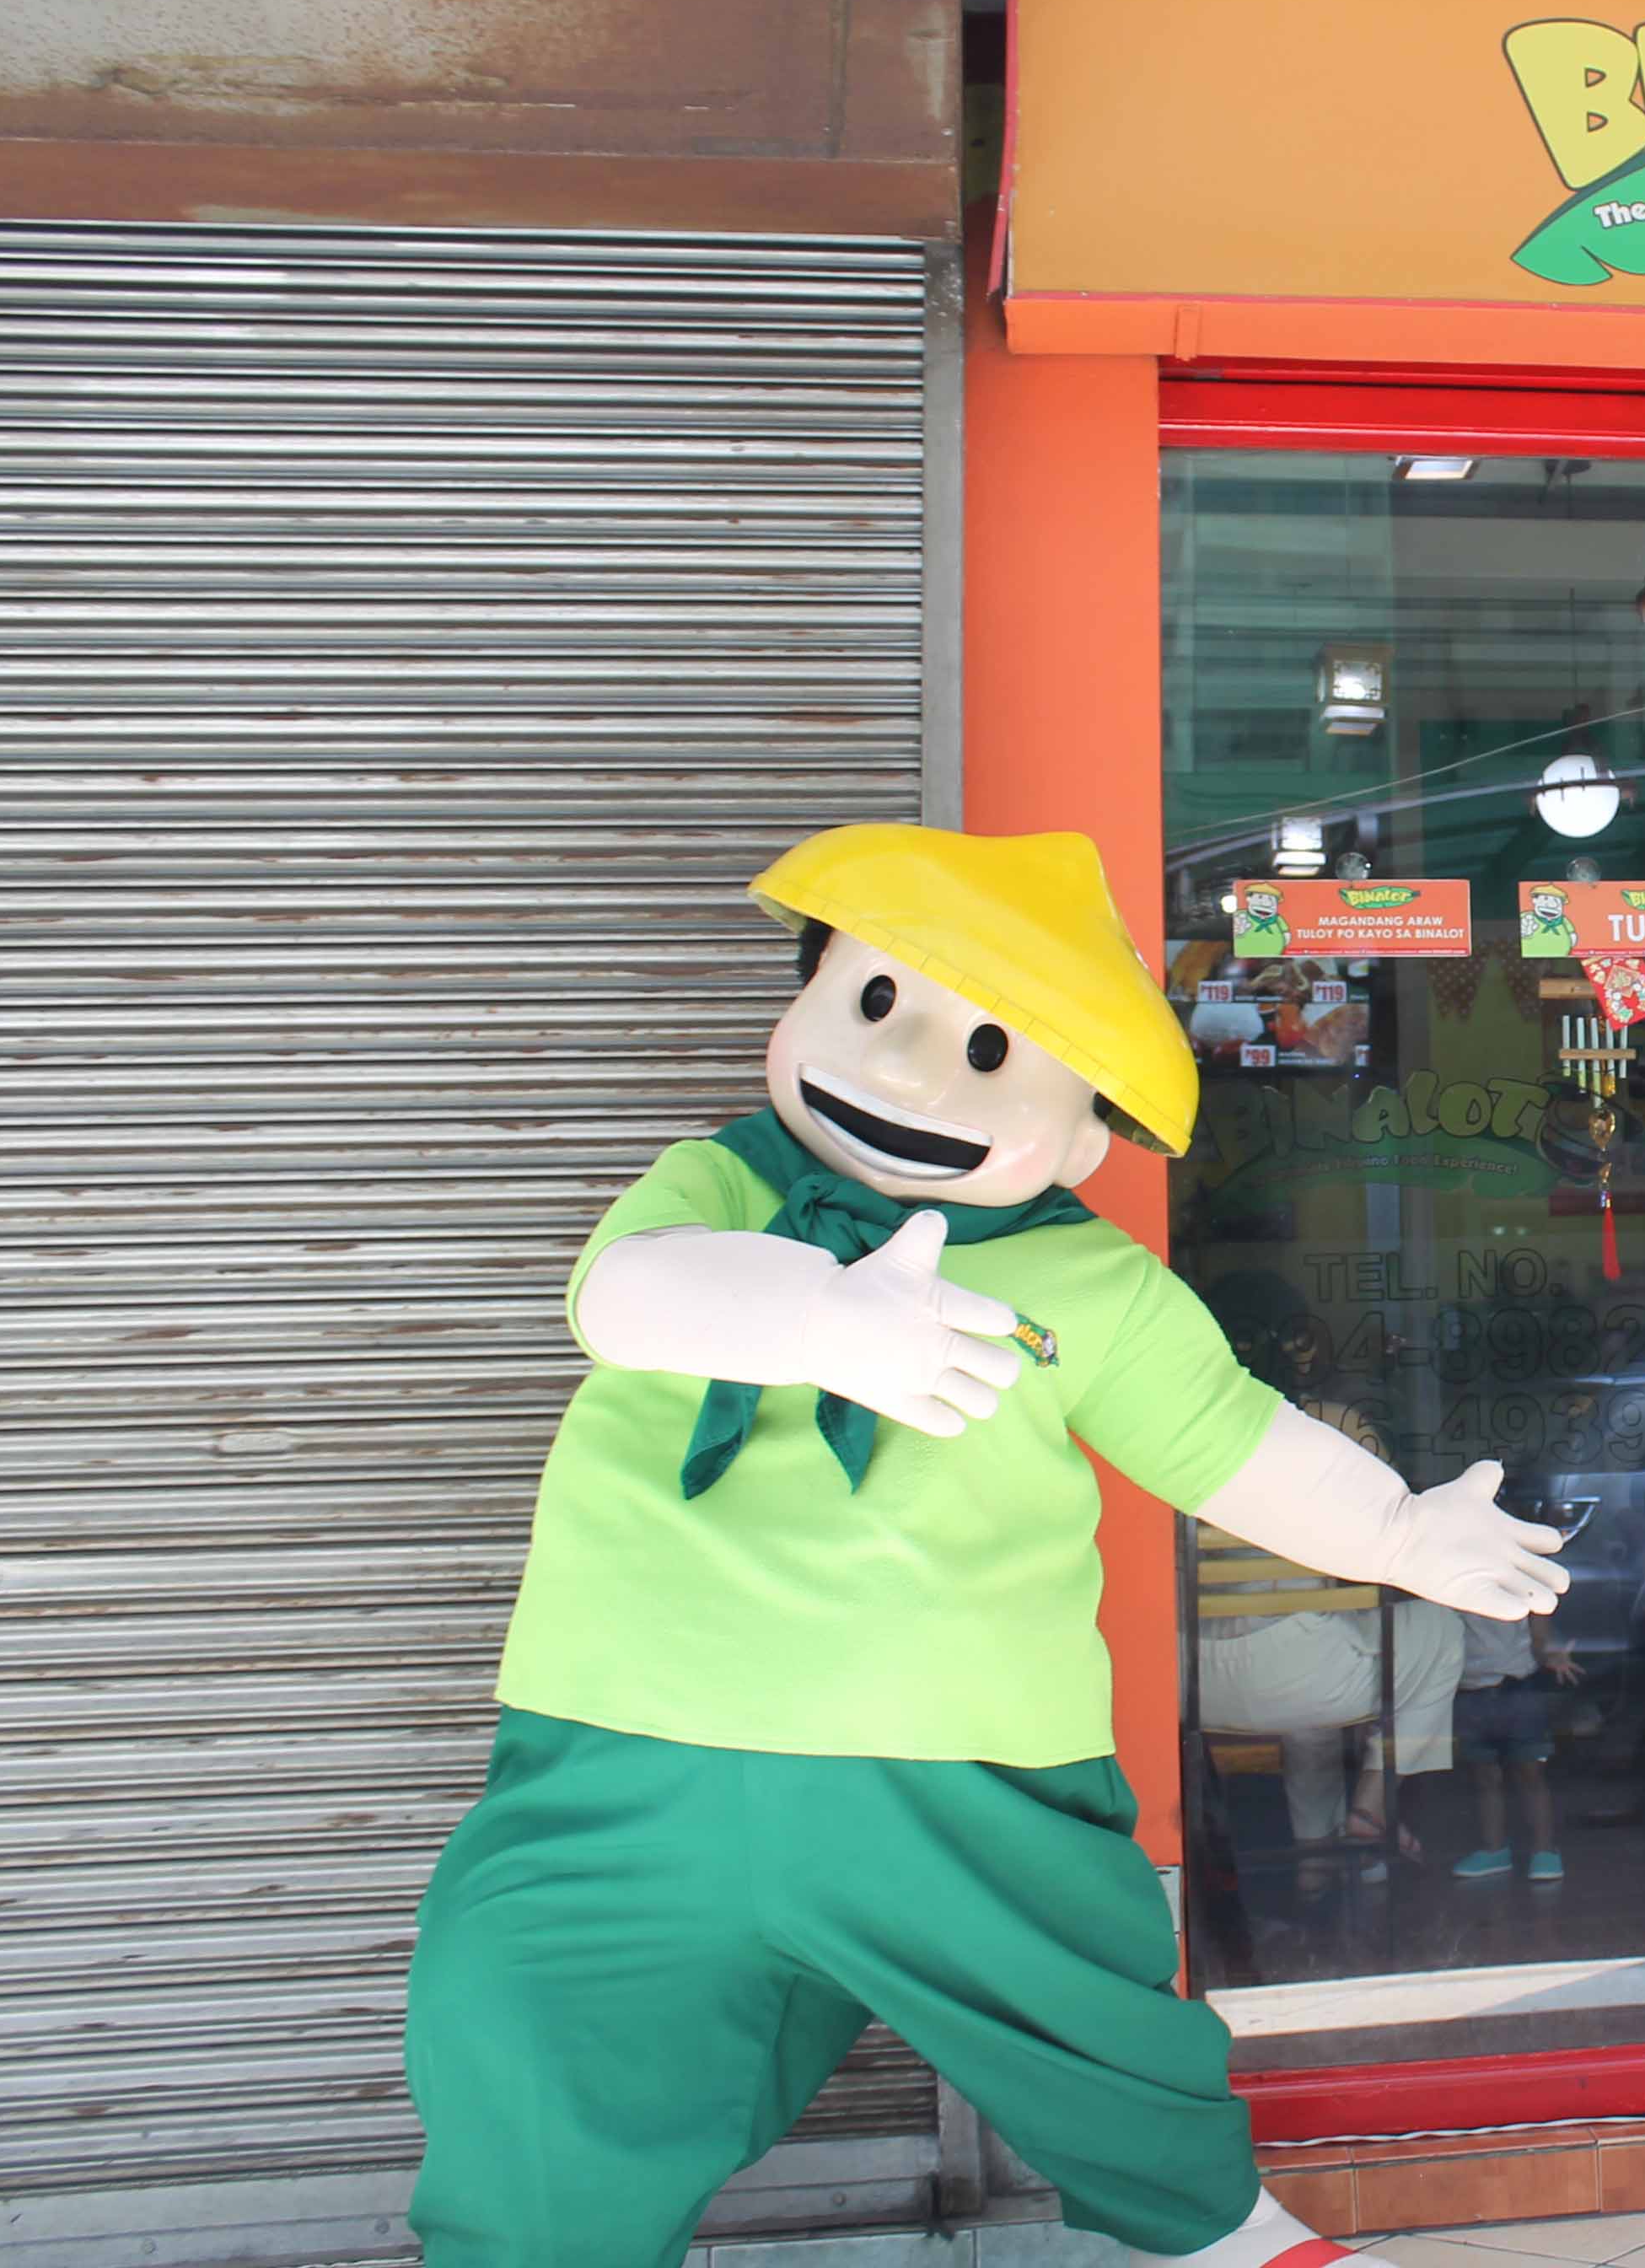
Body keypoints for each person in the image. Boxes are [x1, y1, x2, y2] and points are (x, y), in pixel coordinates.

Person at [403, 825, 1569, 2268]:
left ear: (1081, 1135)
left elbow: (1228, 1440)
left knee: (1093, 2030)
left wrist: (1395, 1528)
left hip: (964, 1779)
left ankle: (1234, 2241)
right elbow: (620, 1297)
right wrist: (818, 1317)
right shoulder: (725, 1185)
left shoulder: (1093, 1283)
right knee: (532, 2045)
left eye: (991, 1049)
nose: (903, 1069)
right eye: (874, 1001)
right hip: (621, 1749)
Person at [1450, 1605, 1582, 1882]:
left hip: (1519, 1687)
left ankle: (1544, 1850)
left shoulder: (1524, 1586)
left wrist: (1550, 1655)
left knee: (1530, 1772)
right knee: (1484, 1774)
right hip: (1469, 1689)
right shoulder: (1452, 1588)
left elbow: (1540, 1636)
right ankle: (1494, 1849)